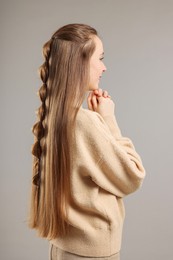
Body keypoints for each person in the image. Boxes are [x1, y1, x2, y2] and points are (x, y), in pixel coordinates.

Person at [29, 23, 146, 260]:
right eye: (100, 58)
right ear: (79, 63)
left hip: (62, 249)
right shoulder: (84, 123)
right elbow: (132, 177)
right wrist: (109, 119)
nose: (104, 67)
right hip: (92, 254)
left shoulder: (53, 116)